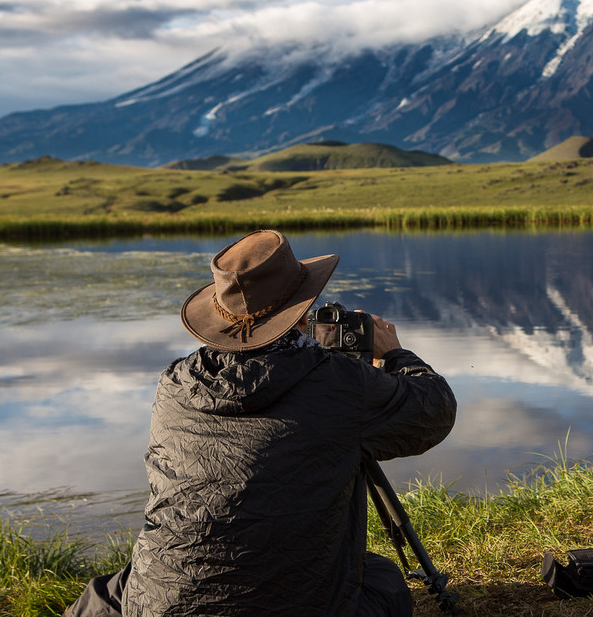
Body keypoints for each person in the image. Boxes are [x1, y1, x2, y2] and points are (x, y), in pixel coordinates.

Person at [63, 230, 457, 617]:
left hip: (164, 601)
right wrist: (397, 356)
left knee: (108, 592)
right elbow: (435, 410)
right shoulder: (337, 383)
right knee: (384, 580)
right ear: (301, 311)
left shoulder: (176, 384)